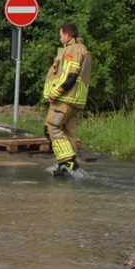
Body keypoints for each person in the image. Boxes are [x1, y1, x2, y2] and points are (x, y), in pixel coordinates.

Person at [43, 22, 92, 176]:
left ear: (67, 35)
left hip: (65, 98)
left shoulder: (73, 50)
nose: (60, 38)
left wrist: (55, 93)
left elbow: (70, 75)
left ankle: (66, 161)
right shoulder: (82, 49)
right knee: (69, 133)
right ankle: (70, 167)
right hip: (76, 99)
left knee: (52, 127)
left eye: (61, 35)